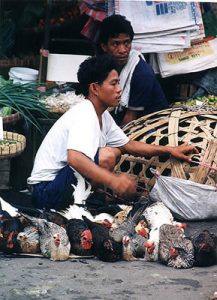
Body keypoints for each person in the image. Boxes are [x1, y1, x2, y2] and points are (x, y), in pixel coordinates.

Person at [27, 54, 198, 211]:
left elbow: (128, 145)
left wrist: (170, 150)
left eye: (119, 83)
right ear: (94, 88)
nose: (119, 89)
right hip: (45, 191)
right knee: (107, 155)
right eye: (113, 83)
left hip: (56, 185)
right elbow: (75, 158)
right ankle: (81, 204)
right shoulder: (85, 113)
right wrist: (113, 181)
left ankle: (87, 200)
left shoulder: (103, 115)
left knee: (115, 151)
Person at [96, 14, 169, 126]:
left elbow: (130, 122)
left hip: (151, 126)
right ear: (104, 46)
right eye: (115, 44)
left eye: (126, 43)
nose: (123, 50)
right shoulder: (105, 65)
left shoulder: (142, 73)